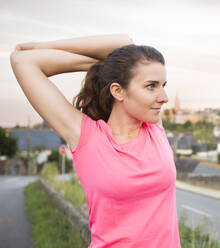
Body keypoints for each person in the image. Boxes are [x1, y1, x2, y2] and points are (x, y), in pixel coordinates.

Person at [10, 34, 181, 248]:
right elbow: (22, 61)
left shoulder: (155, 129)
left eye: (163, 85)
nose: (164, 97)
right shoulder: (87, 137)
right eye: (151, 86)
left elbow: (125, 44)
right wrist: (95, 65)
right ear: (118, 90)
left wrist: (51, 46)